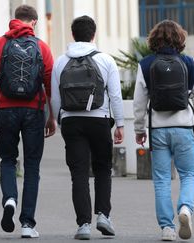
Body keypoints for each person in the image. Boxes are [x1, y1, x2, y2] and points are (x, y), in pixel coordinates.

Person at [0, 5, 56, 238]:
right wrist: (51, 116)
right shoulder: (41, 47)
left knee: (7, 159)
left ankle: (10, 200)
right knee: (32, 165)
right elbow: (49, 84)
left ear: (15, 21)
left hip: (6, 110)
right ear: (33, 22)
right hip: (33, 111)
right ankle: (27, 224)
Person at [133, 20, 194, 241]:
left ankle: (167, 228)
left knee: (162, 179)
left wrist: (139, 128)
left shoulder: (146, 64)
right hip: (184, 128)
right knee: (188, 174)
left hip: (158, 130)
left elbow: (139, 102)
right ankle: (185, 209)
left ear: (153, 39)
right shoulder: (189, 63)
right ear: (180, 38)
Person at [50, 15, 124, 240]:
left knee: (79, 173)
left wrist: (58, 119)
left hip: (72, 120)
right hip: (99, 119)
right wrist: (119, 123)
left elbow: (54, 97)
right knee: (103, 168)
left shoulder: (61, 61)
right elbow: (115, 95)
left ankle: (83, 224)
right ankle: (103, 215)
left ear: (73, 35)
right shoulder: (106, 60)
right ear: (94, 35)